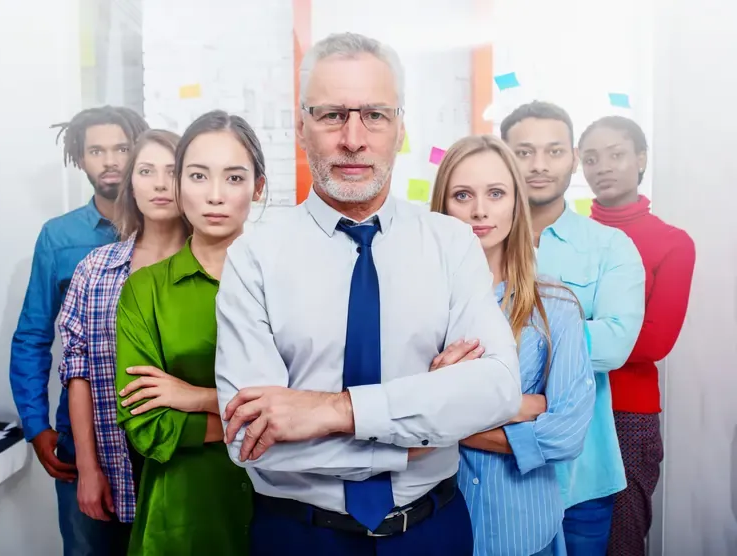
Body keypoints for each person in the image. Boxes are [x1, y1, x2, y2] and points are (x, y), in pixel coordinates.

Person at [215, 32, 521, 556]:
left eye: (375, 115)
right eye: (332, 114)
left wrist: (329, 411)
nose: (353, 138)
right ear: (301, 126)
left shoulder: (451, 244)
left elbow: (496, 390)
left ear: (400, 126)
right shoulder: (254, 256)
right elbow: (253, 441)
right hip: (298, 535)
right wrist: (424, 429)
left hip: (432, 532)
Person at [430, 134, 595, 556]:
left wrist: (449, 414)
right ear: (442, 206)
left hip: (523, 530)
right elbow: (396, 426)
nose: (480, 210)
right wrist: (516, 404)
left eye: (496, 193)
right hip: (436, 525)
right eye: (462, 194)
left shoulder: (554, 306)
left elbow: (566, 433)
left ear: (516, 204)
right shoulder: (415, 306)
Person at [114, 110, 263, 555]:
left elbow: (321, 399)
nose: (215, 195)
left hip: (282, 511)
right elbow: (147, 425)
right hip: (181, 517)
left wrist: (195, 397)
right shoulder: (146, 289)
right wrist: (268, 417)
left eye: (234, 178)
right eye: (199, 176)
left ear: (257, 187)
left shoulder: (289, 279)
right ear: (178, 185)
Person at [500, 101, 646, 555]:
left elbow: (615, 345)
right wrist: (566, 336)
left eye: (554, 151)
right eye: (523, 152)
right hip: (491, 469)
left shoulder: (609, 246)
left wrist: (506, 342)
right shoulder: (474, 240)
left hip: (583, 477)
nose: (539, 165)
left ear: (573, 158)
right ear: (503, 157)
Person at [9, 105, 148, 554]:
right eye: (96, 150)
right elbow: (32, 336)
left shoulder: (171, 229)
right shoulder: (59, 236)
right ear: (79, 158)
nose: (109, 160)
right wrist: (36, 424)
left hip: (159, 433)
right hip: (82, 440)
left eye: (121, 149)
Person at [57, 129, 188, 554]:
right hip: (113, 458)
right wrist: (88, 468)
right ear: (131, 183)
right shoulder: (95, 269)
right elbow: (78, 372)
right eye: (146, 171)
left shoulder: (218, 268)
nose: (159, 183)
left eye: (172, 171)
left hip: (189, 459)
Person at [578, 116, 695, 556]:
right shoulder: (565, 236)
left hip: (626, 413)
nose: (602, 166)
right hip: (560, 405)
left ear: (641, 159)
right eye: (590, 158)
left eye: (616, 154)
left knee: (619, 541)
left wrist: (557, 337)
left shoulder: (671, 243)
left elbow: (653, 342)